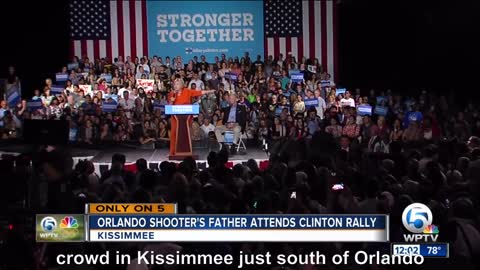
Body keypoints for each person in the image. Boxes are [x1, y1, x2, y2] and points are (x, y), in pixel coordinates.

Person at [167, 79, 215, 156]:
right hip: (175, 117)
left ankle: (186, 150)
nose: (175, 85)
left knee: (185, 132)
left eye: (177, 84)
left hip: (186, 117)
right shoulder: (172, 93)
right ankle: (173, 152)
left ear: (182, 85)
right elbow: (169, 107)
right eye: (174, 84)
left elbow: (199, 93)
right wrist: (172, 101)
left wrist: (209, 91)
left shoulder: (187, 91)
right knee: (174, 133)